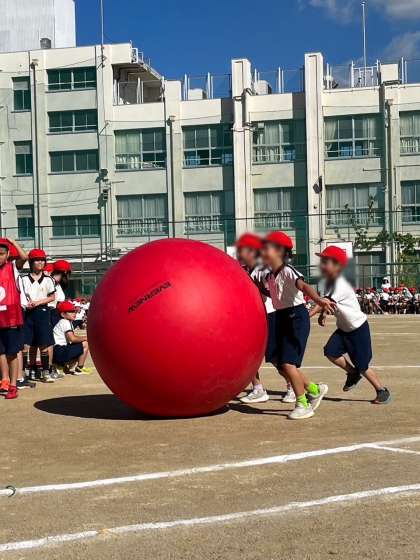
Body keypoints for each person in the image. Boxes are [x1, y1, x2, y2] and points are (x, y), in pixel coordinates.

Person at [260, 231, 334, 420]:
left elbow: (304, 286)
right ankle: (314, 389)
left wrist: (319, 300)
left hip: (296, 318)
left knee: (288, 363)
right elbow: (274, 295)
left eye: (267, 248)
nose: (263, 251)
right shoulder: (270, 276)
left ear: (280, 251)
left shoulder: (288, 270)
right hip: (281, 318)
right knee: (280, 363)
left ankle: (303, 404)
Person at [311, 246, 391, 404]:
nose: (322, 265)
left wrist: (307, 315)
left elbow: (325, 301)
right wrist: (323, 314)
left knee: (362, 365)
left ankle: (382, 391)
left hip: (357, 329)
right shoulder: (331, 282)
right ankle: (352, 373)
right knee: (330, 351)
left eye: (326, 261)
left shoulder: (340, 283)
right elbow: (329, 303)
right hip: (344, 329)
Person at [22, 249, 57, 383]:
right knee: (26, 345)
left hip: (42, 312)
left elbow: (52, 297)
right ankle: (26, 371)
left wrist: (37, 302)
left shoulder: (48, 279)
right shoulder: (23, 279)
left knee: (43, 344)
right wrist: (26, 304)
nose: (40, 263)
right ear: (31, 262)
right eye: (37, 260)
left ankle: (45, 371)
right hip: (27, 313)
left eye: (42, 260)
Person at [0, 238, 29, 399]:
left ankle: (13, 384)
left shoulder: (13, 267)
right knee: (0, 352)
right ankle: (4, 380)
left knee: (12, 353)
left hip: (11, 317)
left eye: (1, 253)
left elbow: (24, 257)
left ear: (7, 254)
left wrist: (13, 242)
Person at [53, 301, 90, 374]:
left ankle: (62, 366)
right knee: (85, 344)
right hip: (59, 351)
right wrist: (86, 337)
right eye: (71, 311)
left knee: (78, 345)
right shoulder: (65, 322)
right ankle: (79, 368)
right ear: (63, 314)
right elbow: (72, 339)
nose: (74, 313)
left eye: (74, 311)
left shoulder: (64, 321)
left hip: (57, 351)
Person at [49, 260, 72, 327]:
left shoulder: (57, 285)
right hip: (50, 314)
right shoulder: (50, 282)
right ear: (65, 272)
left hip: (53, 314)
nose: (68, 277)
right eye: (68, 274)